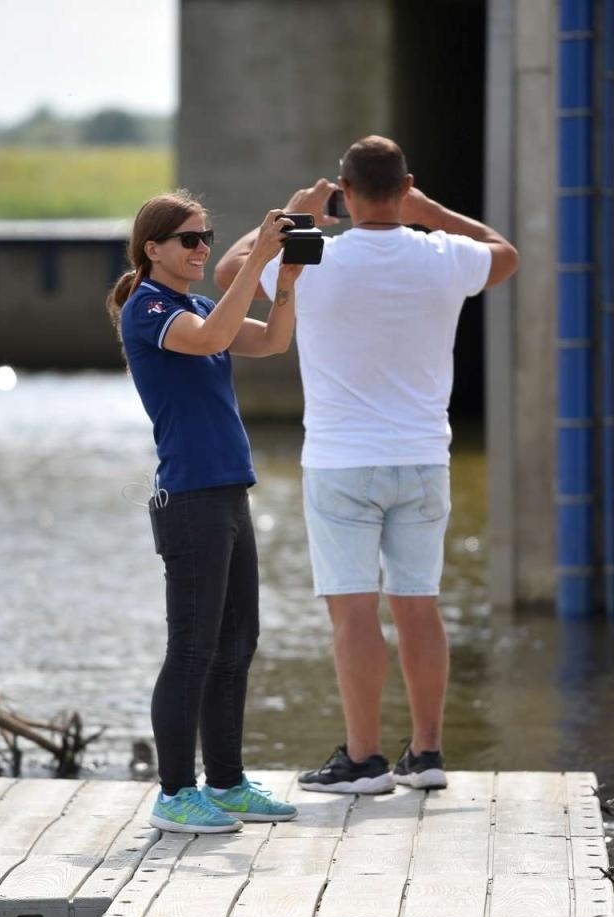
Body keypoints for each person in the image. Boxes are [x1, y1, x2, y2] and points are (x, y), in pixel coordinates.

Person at [214, 135, 519, 794]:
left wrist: (293, 214)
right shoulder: (443, 254)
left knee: (353, 614)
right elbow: (506, 254)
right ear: (405, 185)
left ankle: (364, 759)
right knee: (420, 606)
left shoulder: (311, 252)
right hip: (422, 459)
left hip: (341, 461)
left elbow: (227, 273)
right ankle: (429, 754)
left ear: (344, 194)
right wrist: (429, 211)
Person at [107, 190, 303, 833]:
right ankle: (173, 793)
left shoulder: (193, 303)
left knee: (237, 644)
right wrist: (257, 262)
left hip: (228, 492)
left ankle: (225, 783)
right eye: (189, 239)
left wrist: (287, 280)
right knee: (191, 649)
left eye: (206, 237)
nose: (200, 249)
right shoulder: (150, 309)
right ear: (153, 248)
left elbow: (272, 341)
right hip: (189, 499)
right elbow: (215, 336)